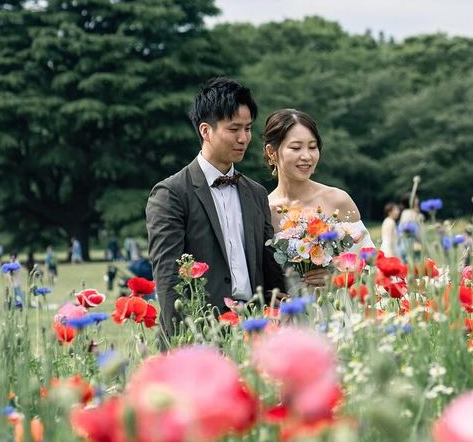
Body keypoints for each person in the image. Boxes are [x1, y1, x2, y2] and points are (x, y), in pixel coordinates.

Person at [146, 77, 285, 339]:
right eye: (234, 129)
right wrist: (183, 343)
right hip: (200, 331)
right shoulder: (171, 194)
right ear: (205, 131)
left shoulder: (256, 193)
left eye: (248, 128)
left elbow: (268, 270)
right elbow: (168, 280)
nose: (243, 138)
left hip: (253, 329)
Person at [262, 108, 372, 282]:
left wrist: (338, 276)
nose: (307, 156)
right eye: (296, 147)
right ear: (271, 152)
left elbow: (371, 267)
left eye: (312, 147)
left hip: (338, 305)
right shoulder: (263, 211)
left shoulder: (338, 200)